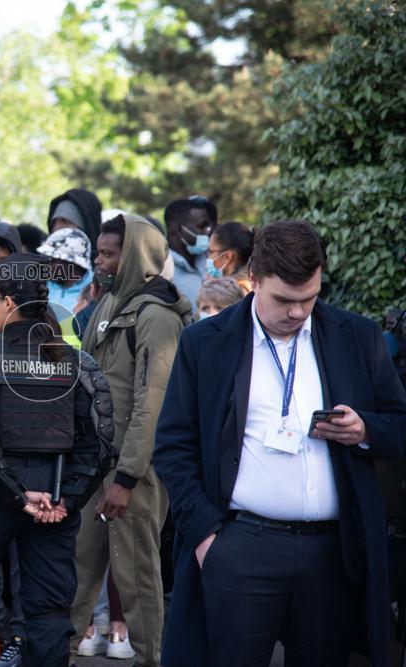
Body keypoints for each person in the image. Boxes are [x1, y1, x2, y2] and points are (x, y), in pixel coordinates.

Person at [154, 220, 406, 667]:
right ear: (252, 280)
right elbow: (173, 445)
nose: (298, 312)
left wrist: (364, 430)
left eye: (309, 298)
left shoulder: (357, 338)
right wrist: (206, 537)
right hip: (239, 546)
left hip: (333, 553)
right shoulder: (204, 342)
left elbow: (399, 425)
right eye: (285, 300)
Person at [0, 253, 112, 667]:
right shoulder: (77, 363)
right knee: (48, 615)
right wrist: (66, 499)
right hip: (55, 502)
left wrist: (19, 495)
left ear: (9, 302)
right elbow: (100, 442)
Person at [71, 213, 191, 665]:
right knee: (77, 573)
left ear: (135, 255)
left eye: (108, 253)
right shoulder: (107, 304)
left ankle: (152, 659)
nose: (99, 261)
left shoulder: (157, 315)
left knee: (138, 580)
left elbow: (152, 404)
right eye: (98, 252)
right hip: (94, 468)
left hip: (131, 474)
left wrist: (126, 477)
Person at [36, 227, 93, 347]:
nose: (46, 265)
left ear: (72, 263)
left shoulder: (95, 291)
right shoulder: (39, 285)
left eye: (52, 260)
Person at [163, 198, 215, 310]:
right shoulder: (163, 272)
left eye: (208, 226)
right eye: (202, 226)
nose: (208, 231)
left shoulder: (210, 261)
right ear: (177, 229)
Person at [45, 188, 103, 252]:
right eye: (54, 222)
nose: (56, 228)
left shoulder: (102, 261)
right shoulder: (42, 259)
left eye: (64, 221)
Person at [206, 221, 255, 294]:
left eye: (211, 252)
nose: (208, 257)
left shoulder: (234, 292)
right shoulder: (252, 284)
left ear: (228, 257)